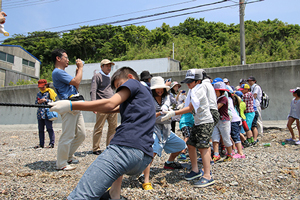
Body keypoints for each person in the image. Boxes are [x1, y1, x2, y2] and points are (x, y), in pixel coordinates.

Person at [50, 67, 156, 199]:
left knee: (81, 196)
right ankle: (114, 195)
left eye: (119, 86)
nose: (119, 90)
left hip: (126, 150)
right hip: (144, 158)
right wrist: (79, 104)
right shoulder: (146, 94)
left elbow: (111, 103)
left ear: (130, 77)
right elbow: (112, 109)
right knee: (112, 137)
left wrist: (71, 105)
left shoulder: (133, 82)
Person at [162, 69, 215, 188]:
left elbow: (190, 108)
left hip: (205, 122)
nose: (188, 84)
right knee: (190, 144)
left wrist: (174, 113)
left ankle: (207, 175)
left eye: (191, 81)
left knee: (203, 147)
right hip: (198, 122)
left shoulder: (200, 89)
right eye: (187, 81)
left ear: (198, 81)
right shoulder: (193, 90)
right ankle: (195, 170)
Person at [142, 76, 186, 190]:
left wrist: (167, 112)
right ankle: (144, 177)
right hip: (153, 129)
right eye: (157, 88)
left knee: (181, 145)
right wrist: (161, 114)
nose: (160, 90)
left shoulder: (166, 96)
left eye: (161, 88)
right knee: (152, 151)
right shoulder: (148, 99)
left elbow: (168, 105)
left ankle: (169, 162)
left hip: (166, 129)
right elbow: (149, 117)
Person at [51, 48, 86, 171]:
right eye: (66, 57)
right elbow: (76, 81)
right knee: (68, 135)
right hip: (68, 105)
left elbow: (76, 84)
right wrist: (81, 68)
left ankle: (69, 156)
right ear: (58, 58)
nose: (68, 60)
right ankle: (61, 163)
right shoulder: (57, 72)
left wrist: (78, 71)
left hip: (75, 104)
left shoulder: (63, 73)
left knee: (81, 134)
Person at [90, 59, 117, 155]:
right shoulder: (97, 76)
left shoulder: (112, 77)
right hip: (101, 105)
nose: (109, 68)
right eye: (107, 66)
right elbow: (93, 90)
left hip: (113, 105)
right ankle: (96, 148)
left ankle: (109, 146)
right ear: (101, 67)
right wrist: (93, 105)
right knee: (99, 127)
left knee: (113, 127)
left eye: (110, 66)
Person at [211, 82, 233, 162]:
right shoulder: (217, 98)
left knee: (226, 137)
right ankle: (216, 154)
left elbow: (217, 107)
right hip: (216, 120)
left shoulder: (223, 98)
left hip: (224, 120)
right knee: (215, 137)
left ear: (221, 91)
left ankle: (230, 154)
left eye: (216, 91)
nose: (215, 92)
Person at [34, 79, 57, 149]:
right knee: (40, 129)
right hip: (40, 114)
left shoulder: (50, 92)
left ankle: (51, 143)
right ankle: (41, 144)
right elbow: (35, 102)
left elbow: (53, 101)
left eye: (42, 87)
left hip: (47, 113)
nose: (41, 88)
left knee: (49, 128)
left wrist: (45, 100)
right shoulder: (39, 93)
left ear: (46, 85)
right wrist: (38, 102)